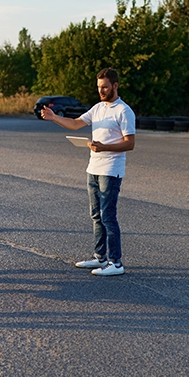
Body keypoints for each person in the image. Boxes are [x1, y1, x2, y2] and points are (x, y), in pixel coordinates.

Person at [41, 68, 135, 276]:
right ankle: (100, 258)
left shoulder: (124, 111)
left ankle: (116, 263)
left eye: (105, 87)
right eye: (99, 87)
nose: (101, 91)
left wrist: (104, 147)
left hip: (111, 170)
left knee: (108, 216)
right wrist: (54, 117)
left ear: (115, 86)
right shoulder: (98, 108)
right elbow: (75, 124)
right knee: (96, 215)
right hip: (93, 168)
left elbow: (130, 143)